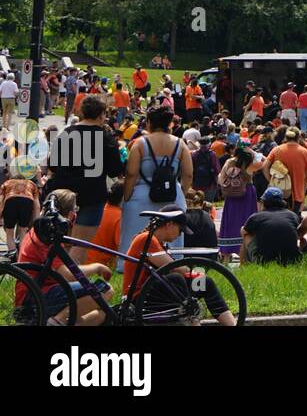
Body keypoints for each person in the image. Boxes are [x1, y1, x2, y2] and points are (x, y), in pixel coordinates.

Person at [44, 95, 126, 260]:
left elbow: (52, 165)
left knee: (59, 241)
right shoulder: (105, 137)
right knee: (80, 245)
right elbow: (115, 170)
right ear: (101, 114)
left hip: (63, 193)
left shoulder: (67, 133)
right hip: (92, 194)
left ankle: (55, 277)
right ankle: (70, 282)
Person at [17, 190, 114, 325]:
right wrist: (97, 267)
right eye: (75, 209)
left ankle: (62, 321)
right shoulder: (46, 238)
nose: (76, 213)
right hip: (34, 296)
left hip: (41, 290)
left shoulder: (42, 230)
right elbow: (68, 275)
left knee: (103, 314)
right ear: (69, 214)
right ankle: (57, 321)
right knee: (105, 290)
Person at [119, 106, 190, 270]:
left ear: (149, 122)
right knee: (173, 246)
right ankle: (174, 267)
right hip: (172, 196)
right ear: (170, 123)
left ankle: (128, 267)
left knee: (134, 240)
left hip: (142, 195)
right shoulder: (180, 144)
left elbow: (131, 173)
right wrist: (181, 194)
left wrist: (127, 197)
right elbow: (188, 174)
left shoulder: (140, 144)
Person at [241, 187, 302, 265]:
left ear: (264, 202)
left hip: (264, 261)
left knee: (245, 233)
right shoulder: (292, 215)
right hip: (291, 260)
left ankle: (242, 265)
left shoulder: (256, 217)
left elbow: (244, 231)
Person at [216, 146, 259, 258]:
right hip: (247, 194)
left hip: (232, 195)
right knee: (247, 221)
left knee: (230, 221)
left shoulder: (229, 162)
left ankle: (226, 253)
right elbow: (263, 161)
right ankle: (245, 251)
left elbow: (221, 178)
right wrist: (253, 152)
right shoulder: (249, 163)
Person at [1, 172, 40, 255]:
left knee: (9, 233)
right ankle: (21, 256)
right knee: (23, 231)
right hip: (27, 202)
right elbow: (37, 206)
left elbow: (0, 201)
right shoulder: (31, 184)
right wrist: (37, 220)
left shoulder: (7, 183)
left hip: (10, 202)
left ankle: (13, 254)